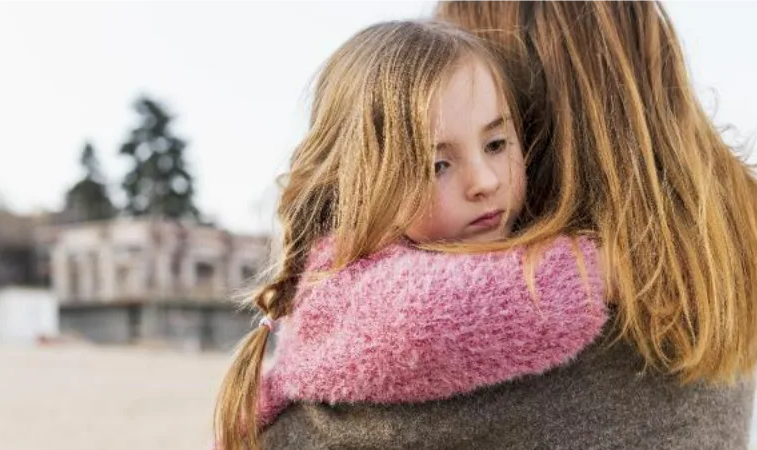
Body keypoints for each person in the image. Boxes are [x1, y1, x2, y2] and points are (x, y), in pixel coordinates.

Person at [213, 20, 609, 450]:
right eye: (437, 165)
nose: (484, 181)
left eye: (496, 144)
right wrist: (596, 270)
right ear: (361, 184)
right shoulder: (345, 275)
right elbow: (430, 321)